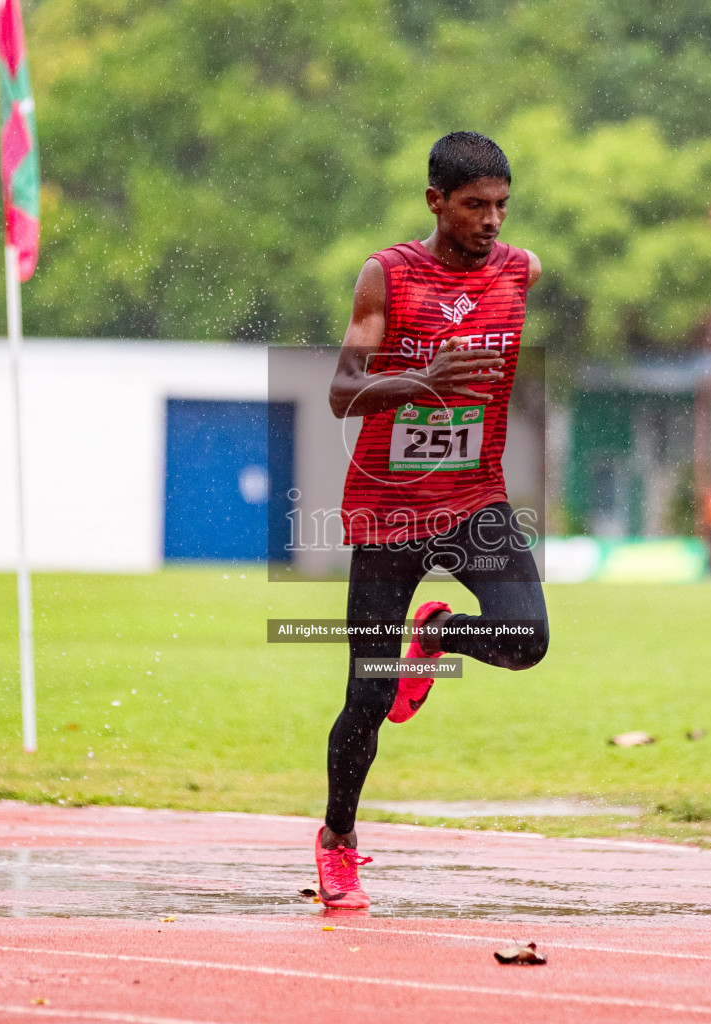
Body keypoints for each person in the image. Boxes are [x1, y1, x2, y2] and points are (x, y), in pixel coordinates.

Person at [316, 131, 550, 909]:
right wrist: (422, 379)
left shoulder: (520, 271)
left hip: (475, 498)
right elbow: (343, 391)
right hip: (388, 509)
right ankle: (338, 840)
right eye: (475, 205)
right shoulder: (386, 276)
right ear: (435, 202)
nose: (492, 220)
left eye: (502, 206)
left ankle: (439, 633)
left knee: (527, 642)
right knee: (368, 697)